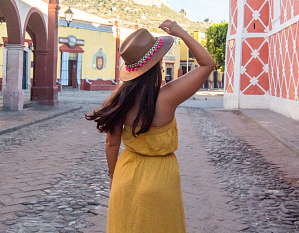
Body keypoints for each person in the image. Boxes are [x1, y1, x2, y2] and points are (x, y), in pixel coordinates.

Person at [86, 20, 215, 233]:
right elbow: (207, 64)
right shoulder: (167, 97)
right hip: (161, 178)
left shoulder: (119, 102)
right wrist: (181, 33)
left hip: (125, 177)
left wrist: (112, 176)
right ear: (157, 65)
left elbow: (112, 143)